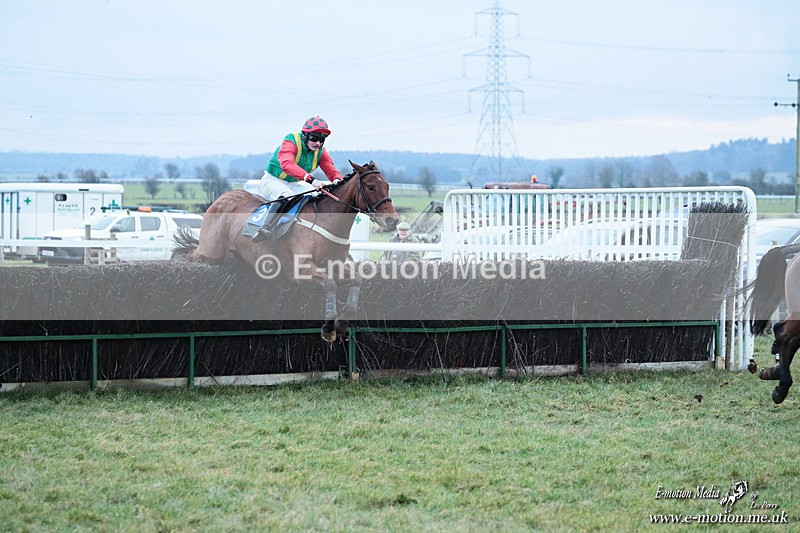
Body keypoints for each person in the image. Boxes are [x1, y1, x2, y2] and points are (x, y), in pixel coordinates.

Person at [250, 116, 344, 242]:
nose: (318, 143)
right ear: (305, 135)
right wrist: (310, 179)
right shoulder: (291, 140)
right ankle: (264, 229)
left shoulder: (320, 151)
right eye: (314, 138)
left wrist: (338, 180)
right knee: (287, 195)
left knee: (317, 195)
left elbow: (330, 168)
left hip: (294, 183)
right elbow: (287, 164)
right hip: (272, 180)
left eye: (322, 140)